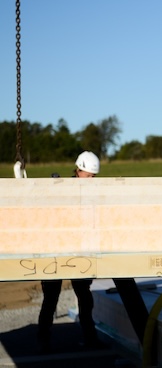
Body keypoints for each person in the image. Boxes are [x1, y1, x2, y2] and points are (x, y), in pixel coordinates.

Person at [37, 151, 103, 353]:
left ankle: (90, 338)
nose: (90, 180)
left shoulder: (93, 193)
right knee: (51, 298)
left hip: (80, 252)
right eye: (88, 175)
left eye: (93, 177)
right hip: (55, 252)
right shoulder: (61, 188)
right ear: (78, 170)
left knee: (84, 296)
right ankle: (44, 342)